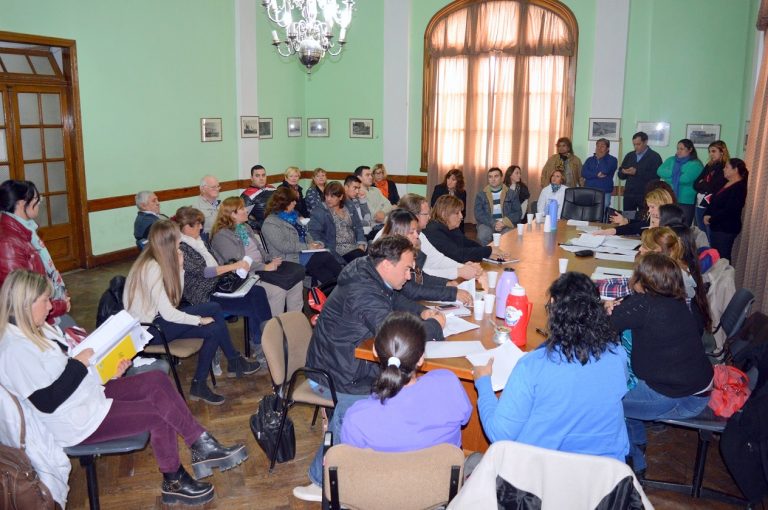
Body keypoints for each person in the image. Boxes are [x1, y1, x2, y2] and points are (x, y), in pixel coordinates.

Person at [0, 269, 248, 507]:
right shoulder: (15, 349)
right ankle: (173, 481)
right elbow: (47, 401)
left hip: (86, 395)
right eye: (45, 301)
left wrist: (105, 373)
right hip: (77, 420)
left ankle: (200, 443)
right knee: (157, 417)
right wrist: (79, 365)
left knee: (156, 380)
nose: (50, 306)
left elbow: (62, 373)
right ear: (24, 305)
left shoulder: (36, 329)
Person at [293, 236, 446, 502]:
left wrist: (422, 314)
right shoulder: (363, 289)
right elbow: (393, 335)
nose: (410, 276)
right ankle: (319, 481)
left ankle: (383, 456)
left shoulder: (372, 274)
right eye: (408, 268)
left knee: (402, 382)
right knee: (360, 405)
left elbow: (396, 304)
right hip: (336, 373)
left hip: (349, 363)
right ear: (387, 264)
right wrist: (436, 327)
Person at [472, 272, 629, 461]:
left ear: (553, 305)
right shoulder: (617, 354)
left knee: (475, 461)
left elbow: (500, 434)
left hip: (543, 477)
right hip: (605, 477)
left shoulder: (533, 366)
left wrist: (483, 383)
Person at [124, 220, 260, 404]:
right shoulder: (153, 269)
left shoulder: (153, 258)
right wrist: (198, 320)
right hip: (149, 331)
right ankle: (201, 383)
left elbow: (174, 300)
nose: (181, 242)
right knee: (212, 327)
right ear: (168, 243)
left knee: (214, 308)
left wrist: (179, 269)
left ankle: (233, 361)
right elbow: (170, 313)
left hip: (159, 319)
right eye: (178, 240)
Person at [607, 253, 713, 476]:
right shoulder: (676, 302)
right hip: (696, 390)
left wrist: (607, 308)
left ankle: (633, 463)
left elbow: (601, 327)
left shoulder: (644, 306)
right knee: (620, 383)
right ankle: (637, 442)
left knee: (604, 398)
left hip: (677, 398)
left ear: (642, 280)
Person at [340, 312, 471, 451]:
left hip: (384, 473)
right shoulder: (449, 384)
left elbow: (351, 465)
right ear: (421, 358)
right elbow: (465, 418)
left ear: (375, 351)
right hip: (442, 472)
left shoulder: (357, 419)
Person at [173, 206, 272, 360]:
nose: (201, 227)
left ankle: (264, 341)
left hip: (217, 287)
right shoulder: (180, 248)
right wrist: (234, 266)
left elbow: (216, 264)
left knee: (258, 292)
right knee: (253, 304)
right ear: (186, 227)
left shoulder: (199, 242)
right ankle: (260, 346)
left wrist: (233, 267)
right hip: (202, 295)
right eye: (198, 224)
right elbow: (204, 272)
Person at [210, 197, 304, 315]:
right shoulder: (222, 235)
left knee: (296, 282)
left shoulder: (245, 227)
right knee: (278, 290)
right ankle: (274, 329)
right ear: (233, 214)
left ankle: (294, 323)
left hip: (261, 268)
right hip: (245, 276)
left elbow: (260, 249)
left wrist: (270, 259)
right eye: (242, 209)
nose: (246, 211)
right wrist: (265, 267)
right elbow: (237, 262)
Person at [0, 180, 71, 326]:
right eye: (37, 200)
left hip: (45, 308)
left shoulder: (25, 230)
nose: (39, 204)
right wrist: (59, 306)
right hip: (31, 321)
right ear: (21, 204)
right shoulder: (8, 243)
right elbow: (21, 297)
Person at [380, 208, 472, 304]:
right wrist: (452, 293)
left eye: (417, 231)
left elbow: (420, 276)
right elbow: (412, 290)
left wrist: (446, 283)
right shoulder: (390, 257)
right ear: (398, 233)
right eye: (412, 232)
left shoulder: (410, 248)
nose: (417, 235)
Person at [261, 186, 343, 283]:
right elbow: (283, 246)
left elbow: (306, 234)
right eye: (293, 201)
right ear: (284, 203)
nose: (295, 203)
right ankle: (347, 284)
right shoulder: (270, 223)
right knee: (325, 257)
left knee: (324, 271)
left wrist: (316, 244)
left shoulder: (293, 216)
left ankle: (336, 290)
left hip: (304, 252)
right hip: (289, 257)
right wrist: (308, 247)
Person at [397, 194, 482, 281]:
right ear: (413, 216)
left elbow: (437, 259)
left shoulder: (420, 234)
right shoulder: (395, 239)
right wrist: (459, 272)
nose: (429, 217)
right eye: (426, 214)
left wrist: (463, 267)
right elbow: (421, 273)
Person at [423, 195, 505, 263]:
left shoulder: (451, 227)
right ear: (444, 214)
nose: (461, 216)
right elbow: (458, 255)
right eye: (457, 213)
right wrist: (488, 251)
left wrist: (488, 253)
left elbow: (467, 243)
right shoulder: (433, 231)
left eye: (461, 212)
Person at [308, 180, 367, 265]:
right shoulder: (320, 211)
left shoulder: (349, 206)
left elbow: (358, 226)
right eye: (326, 195)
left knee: (374, 256)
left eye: (332, 196)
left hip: (354, 245)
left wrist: (361, 243)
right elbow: (313, 231)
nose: (328, 199)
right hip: (336, 248)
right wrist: (322, 244)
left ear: (340, 197)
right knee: (362, 260)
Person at [704, 158, 749, 261]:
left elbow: (730, 210)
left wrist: (711, 219)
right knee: (716, 256)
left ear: (735, 170)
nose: (724, 169)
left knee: (722, 257)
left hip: (726, 228)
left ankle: (725, 277)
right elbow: (714, 201)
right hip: (716, 225)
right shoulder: (726, 183)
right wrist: (707, 214)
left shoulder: (739, 187)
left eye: (727, 167)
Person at [657, 139, 704, 226]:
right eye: (677, 148)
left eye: (681, 149)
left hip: (686, 201)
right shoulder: (671, 160)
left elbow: (685, 179)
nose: (678, 151)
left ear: (690, 150)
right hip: (670, 198)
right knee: (668, 225)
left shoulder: (696, 164)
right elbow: (659, 171)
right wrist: (675, 173)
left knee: (683, 226)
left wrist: (668, 177)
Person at [593, 186, 675, 236]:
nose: (649, 211)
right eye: (649, 207)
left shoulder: (672, 226)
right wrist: (611, 231)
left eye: (652, 207)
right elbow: (635, 227)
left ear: (663, 205)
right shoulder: (654, 218)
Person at [474, 167, 522, 246]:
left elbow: (518, 213)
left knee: (508, 237)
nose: (493, 179)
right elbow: (478, 214)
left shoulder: (511, 194)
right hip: (487, 223)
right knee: (482, 236)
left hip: (506, 224)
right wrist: (494, 223)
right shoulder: (481, 195)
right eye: (490, 177)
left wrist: (503, 222)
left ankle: (504, 256)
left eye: (496, 176)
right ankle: (488, 254)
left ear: (501, 178)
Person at [618, 132, 663, 214]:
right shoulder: (630, 155)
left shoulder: (654, 156)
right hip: (629, 194)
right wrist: (623, 172)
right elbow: (620, 176)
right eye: (634, 144)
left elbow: (656, 177)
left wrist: (636, 172)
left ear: (645, 142)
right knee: (627, 220)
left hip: (646, 195)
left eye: (638, 144)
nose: (636, 147)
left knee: (644, 221)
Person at [693, 141, 729, 236]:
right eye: (709, 151)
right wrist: (704, 184)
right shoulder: (709, 165)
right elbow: (695, 184)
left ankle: (709, 250)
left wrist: (703, 183)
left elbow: (714, 187)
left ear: (722, 151)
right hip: (699, 201)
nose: (711, 154)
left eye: (713, 151)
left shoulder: (724, 167)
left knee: (708, 232)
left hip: (711, 203)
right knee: (701, 231)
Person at [581, 138, 618, 210]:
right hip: (589, 190)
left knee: (602, 214)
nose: (599, 148)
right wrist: (596, 174)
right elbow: (583, 173)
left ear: (607, 149)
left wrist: (600, 158)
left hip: (604, 192)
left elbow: (605, 170)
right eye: (597, 146)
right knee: (588, 212)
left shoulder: (613, 160)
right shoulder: (589, 160)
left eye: (602, 146)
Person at [241, 164, 276, 231]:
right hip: (266, 229)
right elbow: (242, 219)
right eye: (257, 176)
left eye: (263, 175)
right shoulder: (247, 196)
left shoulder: (272, 188)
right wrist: (261, 225)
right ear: (251, 178)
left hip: (281, 223)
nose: (261, 178)